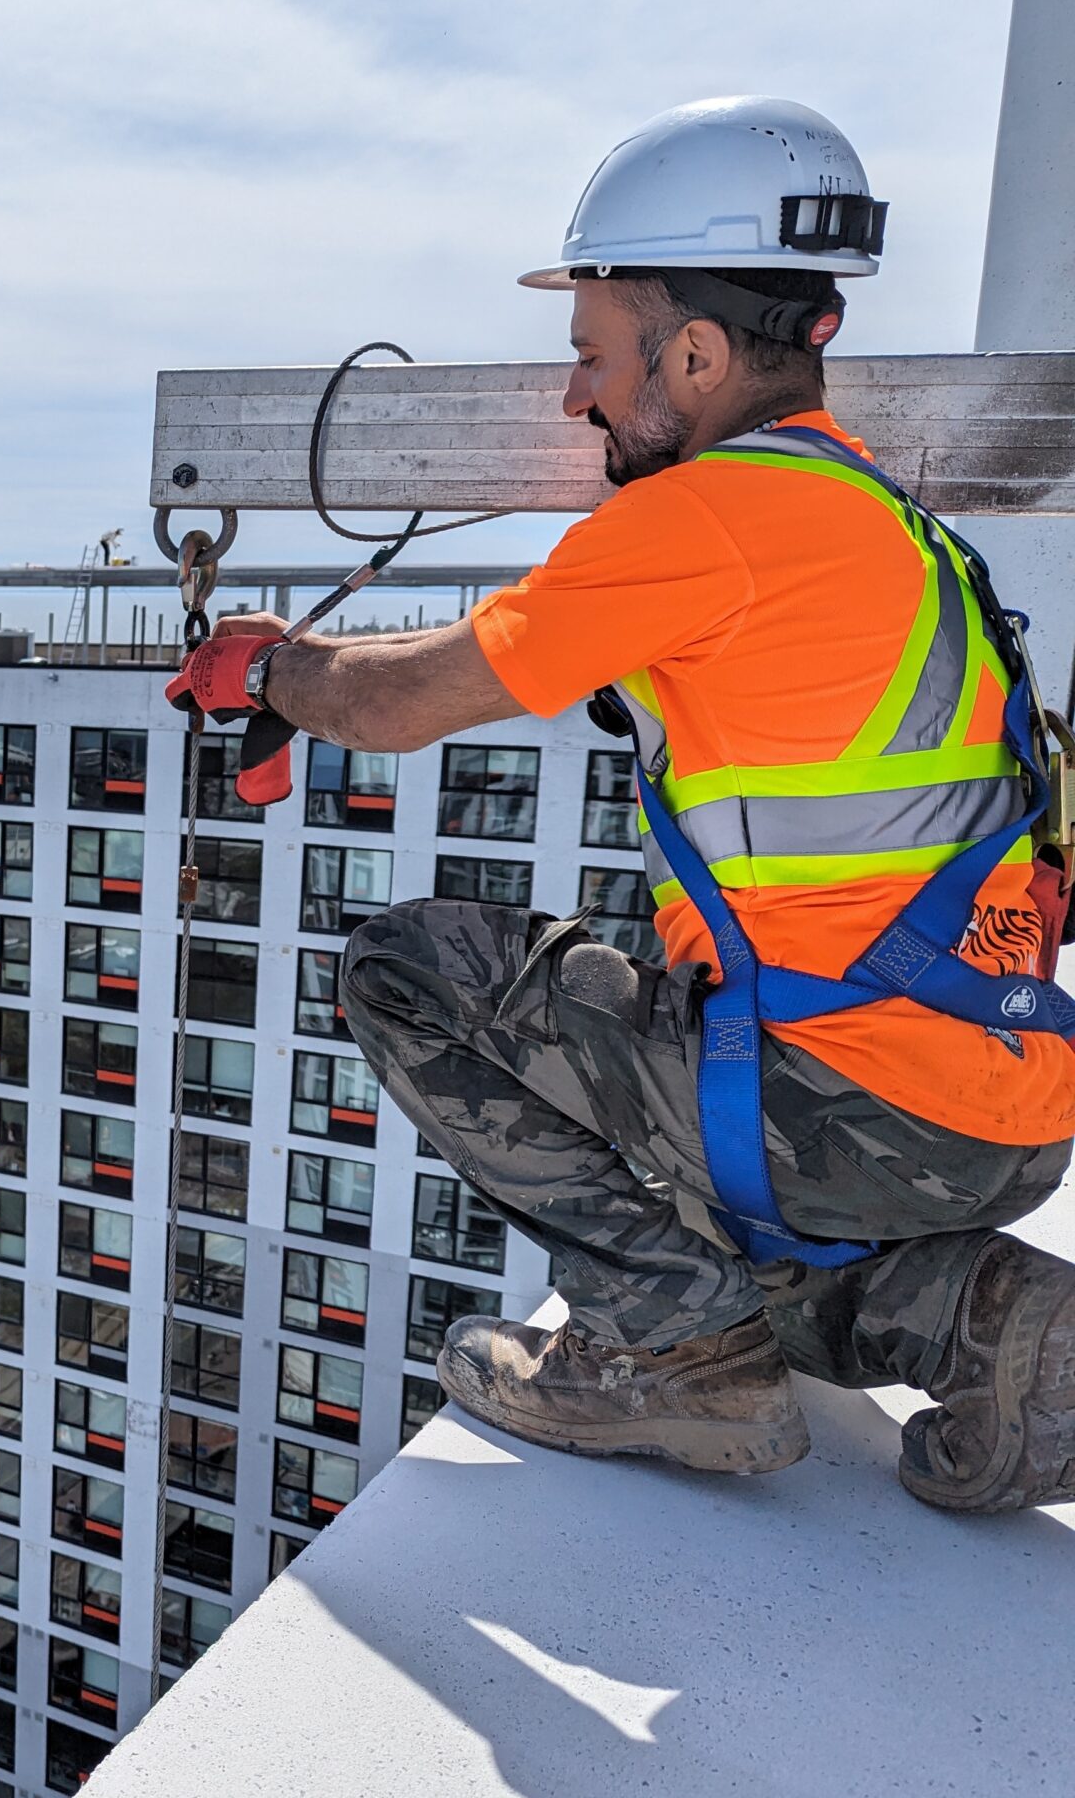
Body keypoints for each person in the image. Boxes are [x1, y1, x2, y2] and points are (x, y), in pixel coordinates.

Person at [170, 97, 1075, 1510]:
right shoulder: (888, 525)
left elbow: (410, 704)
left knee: (411, 970)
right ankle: (997, 1327)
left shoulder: (702, 519)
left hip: (843, 1095)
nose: (573, 398)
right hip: (997, 1104)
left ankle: (675, 1361)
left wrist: (275, 671)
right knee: (722, 1204)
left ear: (698, 353)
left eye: (592, 355)